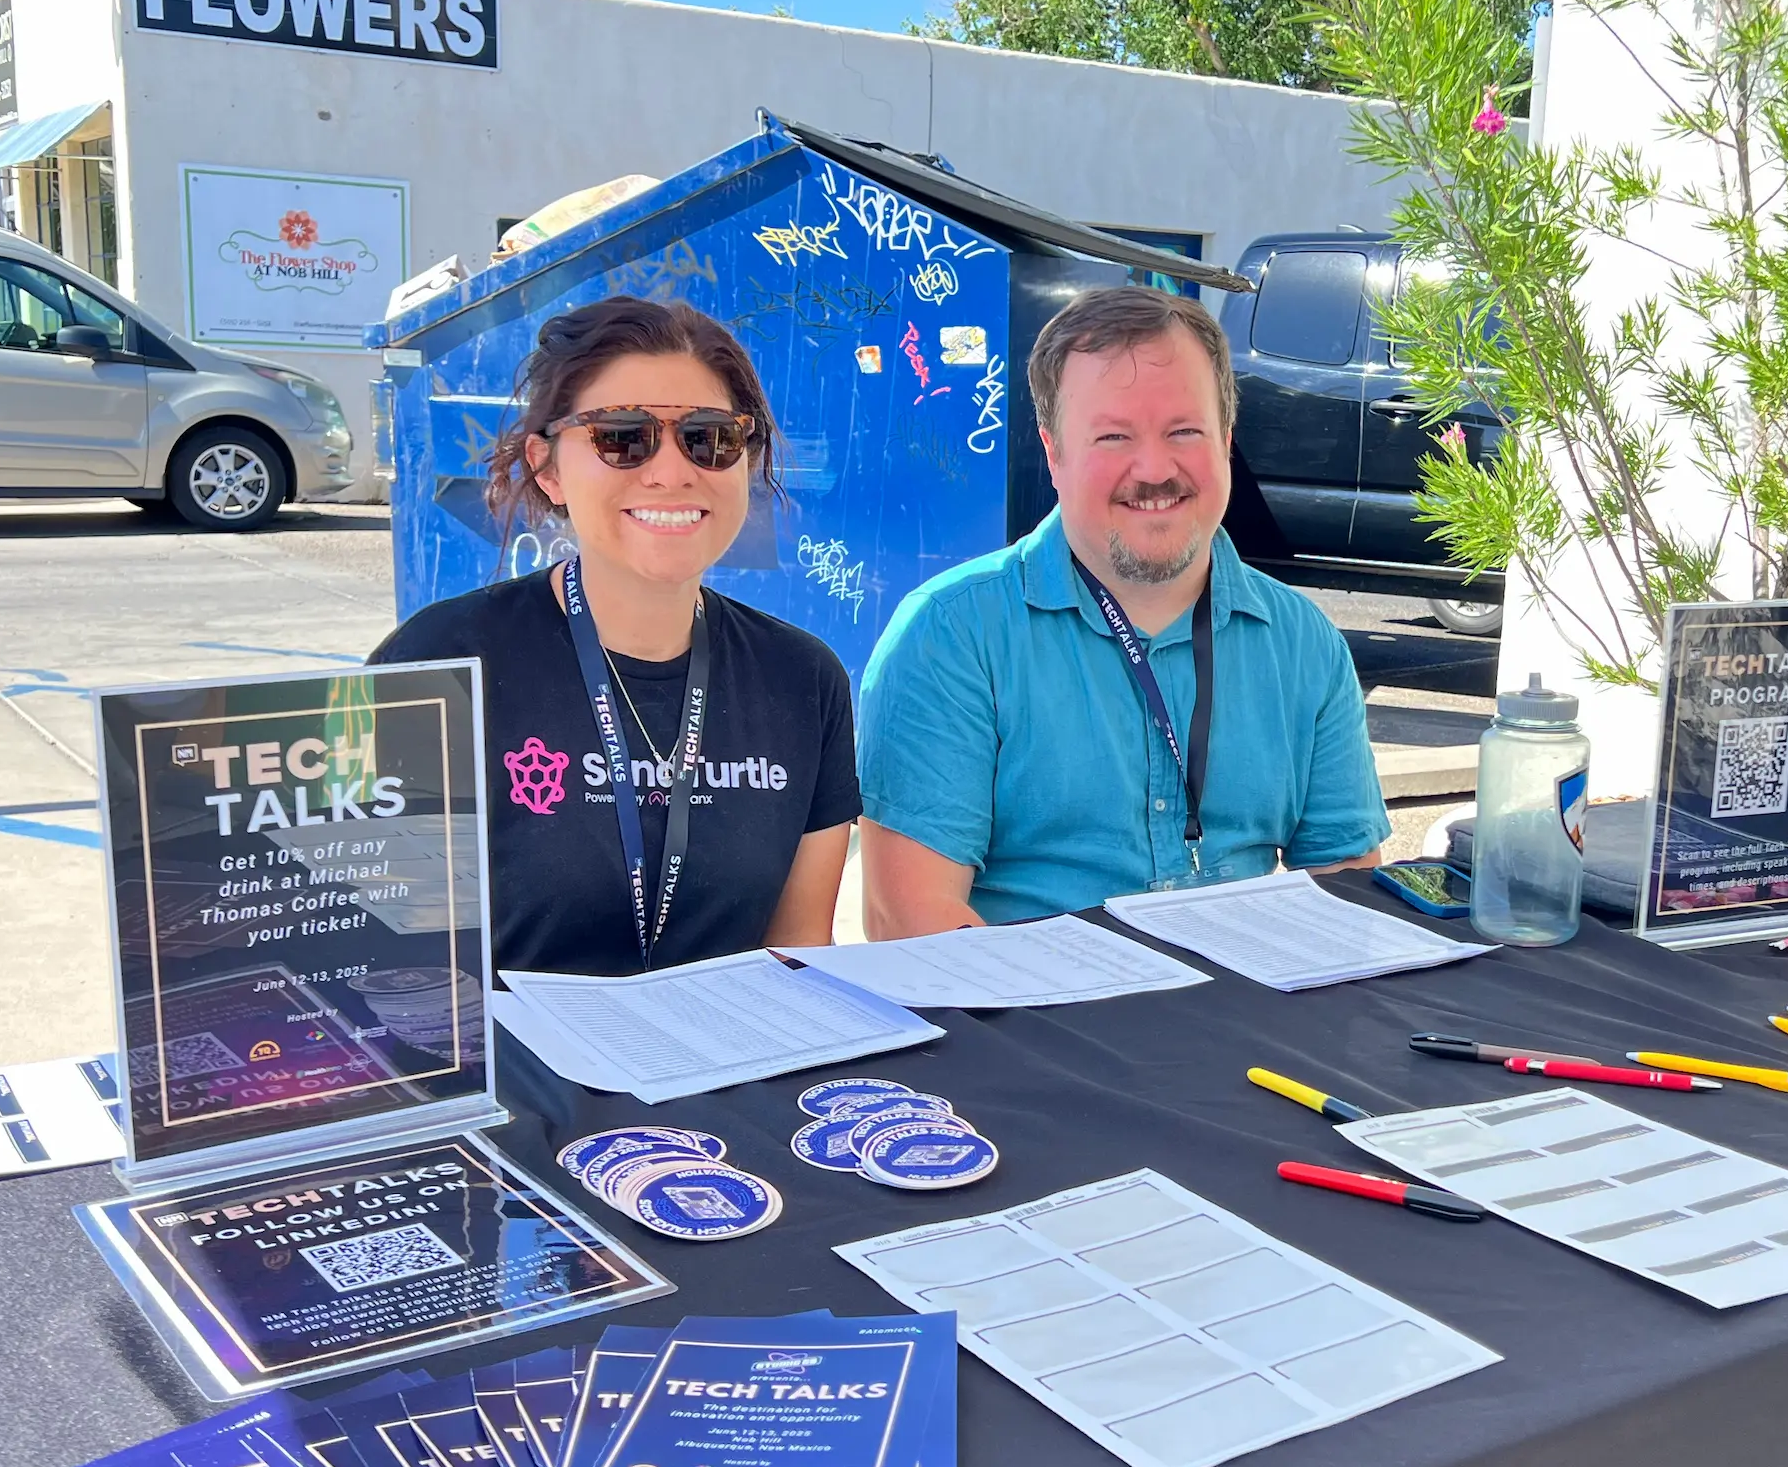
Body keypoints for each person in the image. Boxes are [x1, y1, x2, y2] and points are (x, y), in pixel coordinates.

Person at [857, 284, 1385, 933]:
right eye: (1113, 436)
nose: (1154, 468)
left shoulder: (1303, 643)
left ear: (1226, 440)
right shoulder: (950, 637)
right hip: (1032, 995)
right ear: (1054, 453)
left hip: (1244, 993)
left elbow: (1347, 892)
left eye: (1184, 431)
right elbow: (911, 924)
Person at [372, 296, 857, 977]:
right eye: (622, 436)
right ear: (547, 467)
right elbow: (388, 960)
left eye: (710, 438)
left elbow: (798, 954)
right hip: (512, 1050)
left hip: (730, 1045)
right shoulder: (438, 664)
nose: (671, 471)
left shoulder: (803, 679)